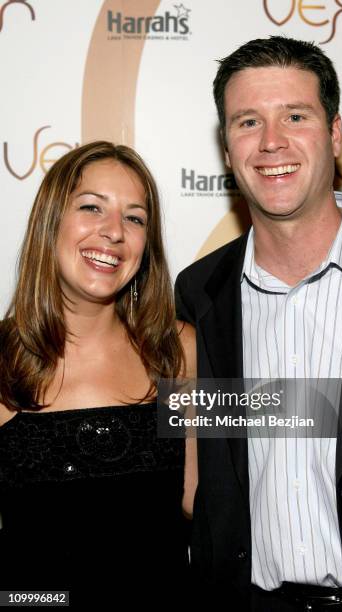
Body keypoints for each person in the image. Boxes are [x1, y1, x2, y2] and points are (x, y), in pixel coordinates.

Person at [175, 36, 342, 611]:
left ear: (334, 134)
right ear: (227, 149)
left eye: (295, 116)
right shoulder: (198, 293)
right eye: (247, 121)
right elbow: (198, 485)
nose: (271, 141)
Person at [0, 141, 197, 609]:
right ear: (51, 222)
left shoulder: (177, 350)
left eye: (135, 218)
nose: (114, 232)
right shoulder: (4, 359)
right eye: (92, 208)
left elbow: (202, 499)